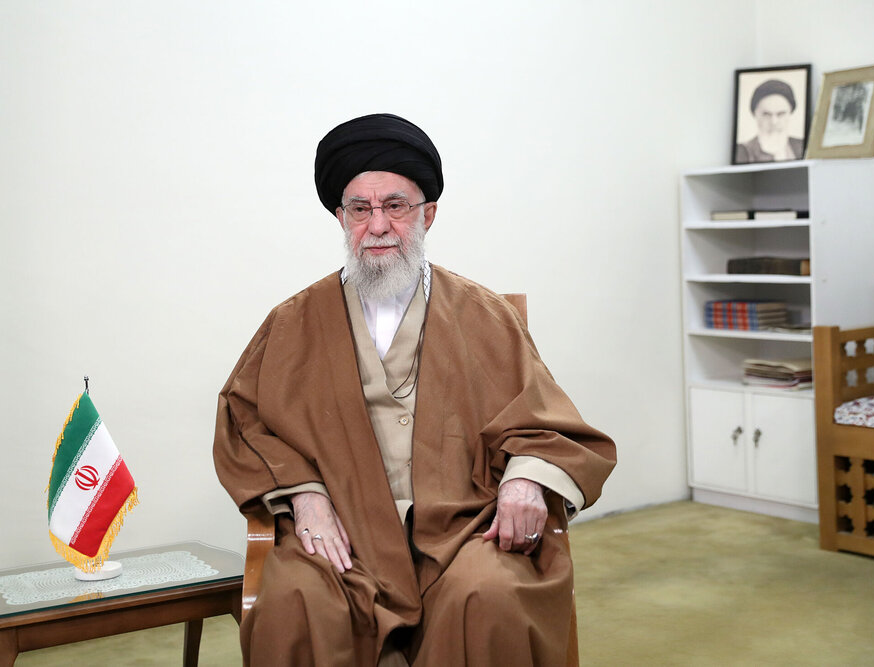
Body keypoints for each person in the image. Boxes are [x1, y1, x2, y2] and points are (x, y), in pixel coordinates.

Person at [213, 113, 617, 666]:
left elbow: (547, 424)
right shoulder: (292, 322)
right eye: (360, 209)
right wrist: (305, 497)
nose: (377, 225)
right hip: (344, 529)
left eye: (395, 206)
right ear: (341, 218)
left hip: (463, 528)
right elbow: (246, 422)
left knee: (489, 595)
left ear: (428, 214)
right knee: (296, 602)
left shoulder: (485, 315)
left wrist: (524, 481)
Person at [735, 79, 804, 163]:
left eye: (781, 114)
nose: (774, 122)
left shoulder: (802, 146)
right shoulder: (741, 152)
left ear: (790, 113)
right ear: (755, 114)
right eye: (766, 114)